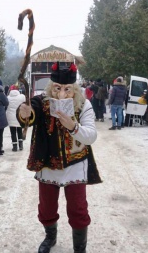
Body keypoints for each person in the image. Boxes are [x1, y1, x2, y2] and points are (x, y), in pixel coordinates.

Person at [17, 62, 102, 253]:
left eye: (67, 89)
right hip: (48, 164)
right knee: (46, 207)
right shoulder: (42, 102)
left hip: (75, 163)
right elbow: (30, 114)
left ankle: (80, 248)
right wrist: (25, 113)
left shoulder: (83, 104)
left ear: (75, 89)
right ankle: (50, 237)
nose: (62, 94)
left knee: (78, 209)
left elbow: (91, 136)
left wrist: (73, 126)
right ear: (50, 87)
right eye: (57, 88)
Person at [6, 84, 26, 151]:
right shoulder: (22, 97)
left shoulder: (8, 97)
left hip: (10, 116)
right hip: (19, 116)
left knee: (13, 132)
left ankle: (14, 147)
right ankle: (21, 145)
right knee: (19, 130)